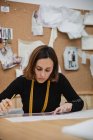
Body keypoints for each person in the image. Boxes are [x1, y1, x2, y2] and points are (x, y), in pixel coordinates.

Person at [0, 45, 84, 115]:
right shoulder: (22, 81)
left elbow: (79, 102)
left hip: (53, 124)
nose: (43, 75)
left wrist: (71, 105)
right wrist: (2, 104)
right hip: (28, 126)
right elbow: (1, 99)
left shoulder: (59, 79)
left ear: (53, 69)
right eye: (39, 69)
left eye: (47, 70)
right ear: (32, 66)